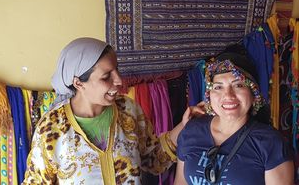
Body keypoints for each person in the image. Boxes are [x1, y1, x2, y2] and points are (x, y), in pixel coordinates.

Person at [22, 37, 202, 184]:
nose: (118, 80)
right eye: (106, 76)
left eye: (117, 70)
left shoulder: (128, 110)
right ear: (78, 83)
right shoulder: (52, 128)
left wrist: (183, 127)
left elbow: (153, 159)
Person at [174, 52, 294, 185]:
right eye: (218, 87)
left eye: (238, 85)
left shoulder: (270, 143)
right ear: (209, 95)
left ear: (253, 94)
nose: (228, 95)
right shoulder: (191, 131)